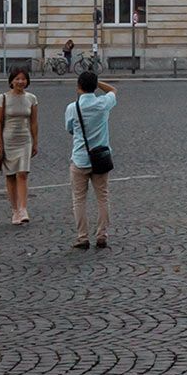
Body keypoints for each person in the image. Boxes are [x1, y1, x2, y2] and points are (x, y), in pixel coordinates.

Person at [66, 69, 117, 251]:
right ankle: (102, 235)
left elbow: (70, 129)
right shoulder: (103, 104)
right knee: (102, 198)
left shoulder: (73, 108)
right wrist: (98, 84)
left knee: (79, 200)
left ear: (78, 87)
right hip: (101, 158)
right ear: (94, 87)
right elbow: (113, 90)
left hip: (80, 158)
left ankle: (82, 237)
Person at [0, 65, 39, 227]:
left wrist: (35, 141)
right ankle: (14, 210)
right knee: (10, 176)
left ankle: (23, 208)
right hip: (7, 140)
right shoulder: (3, 98)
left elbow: (33, 122)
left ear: (27, 81)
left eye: (23, 79)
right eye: (17, 79)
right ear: (11, 81)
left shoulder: (31, 98)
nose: (20, 81)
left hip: (25, 139)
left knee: (23, 174)